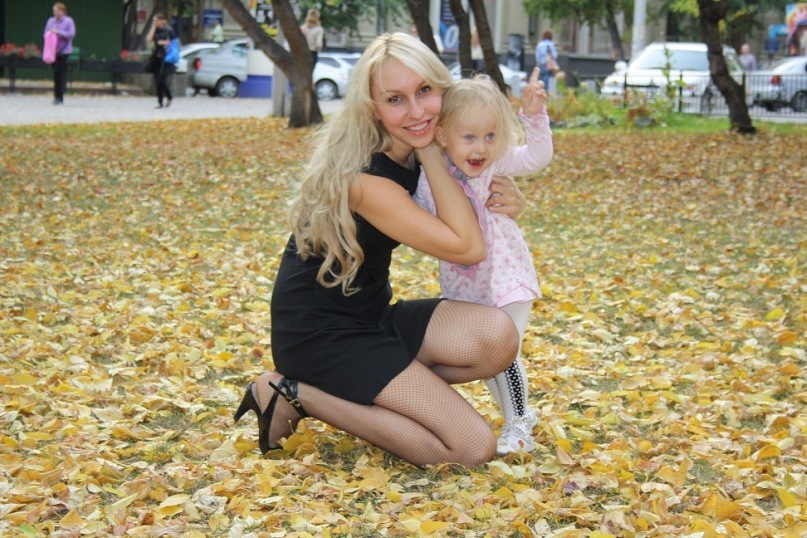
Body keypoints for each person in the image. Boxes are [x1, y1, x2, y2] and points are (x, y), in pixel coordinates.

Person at [234, 32, 529, 468]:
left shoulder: (414, 149)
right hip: (319, 334)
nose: (416, 111)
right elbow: (468, 248)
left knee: (498, 337)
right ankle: (294, 392)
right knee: (471, 448)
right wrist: (431, 149)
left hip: (371, 316)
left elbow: (478, 200)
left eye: (424, 91)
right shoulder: (366, 178)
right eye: (395, 99)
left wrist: (509, 201)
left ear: (442, 88)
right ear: (373, 107)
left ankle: (386, 392)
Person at [412, 71, 552, 455]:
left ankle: (518, 423)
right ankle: (520, 413)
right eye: (469, 137)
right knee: (491, 360)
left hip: (508, 277)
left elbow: (537, 157)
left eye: (490, 136)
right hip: (467, 286)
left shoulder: (496, 164)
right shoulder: (431, 176)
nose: (481, 147)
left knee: (504, 354)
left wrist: (533, 116)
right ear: (443, 136)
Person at [43, 2, 75, 106]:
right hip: (52, 50)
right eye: (54, 11)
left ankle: (58, 97)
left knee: (58, 73)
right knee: (57, 73)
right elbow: (45, 33)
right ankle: (59, 92)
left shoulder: (68, 21)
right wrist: (50, 33)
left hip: (63, 51)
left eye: (57, 11)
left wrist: (59, 32)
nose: (55, 13)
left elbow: (71, 34)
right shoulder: (50, 21)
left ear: (62, 11)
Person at [146, 14, 176, 109]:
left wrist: (162, 42)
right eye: (153, 21)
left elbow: (173, 43)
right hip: (157, 57)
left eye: (155, 21)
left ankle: (169, 96)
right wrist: (153, 28)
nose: (154, 22)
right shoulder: (156, 30)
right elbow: (149, 39)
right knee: (157, 80)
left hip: (166, 58)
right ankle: (160, 102)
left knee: (161, 80)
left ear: (161, 21)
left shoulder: (168, 30)